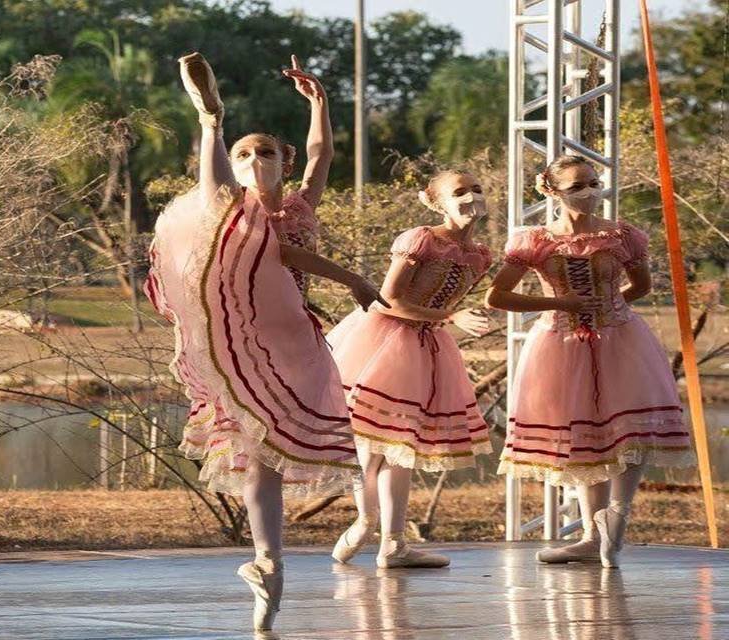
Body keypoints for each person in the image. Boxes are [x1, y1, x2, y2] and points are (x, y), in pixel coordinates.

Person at [145, 52, 384, 631]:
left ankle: (268, 565)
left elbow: (324, 154)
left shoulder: (300, 204)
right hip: (241, 337)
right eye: (245, 154)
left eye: (266, 152)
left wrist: (320, 103)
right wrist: (351, 277)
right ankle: (211, 122)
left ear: (285, 161)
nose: (257, 161)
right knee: (253, 453)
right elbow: (282, 254)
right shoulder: (238, 208)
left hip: (294, 342)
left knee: (267, 460)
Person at [486, 155, 694, 568]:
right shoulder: (534, 240)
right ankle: (589, 535)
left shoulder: (623, 235)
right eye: (578, 185)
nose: (590, 191)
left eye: (594, 182)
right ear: (553, 191)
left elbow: (641, 286)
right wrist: (562, 303)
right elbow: (497, 297)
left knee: (632, 429)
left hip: (620, 338)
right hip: (560, 343)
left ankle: (618, 517)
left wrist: (609, 308)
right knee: (583, 436)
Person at [327, 170, 494, 569]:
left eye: (477, 189)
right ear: (436, 202)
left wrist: (445, 319)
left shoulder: (480, 255)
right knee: (369, 447)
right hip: (384, 341)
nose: (471, 196)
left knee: (403, 450)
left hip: (428, 346)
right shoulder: (421, 239)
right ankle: (366, 521)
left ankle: (394, 544)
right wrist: (450, 316)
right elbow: (384, 300)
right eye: (459, 192)